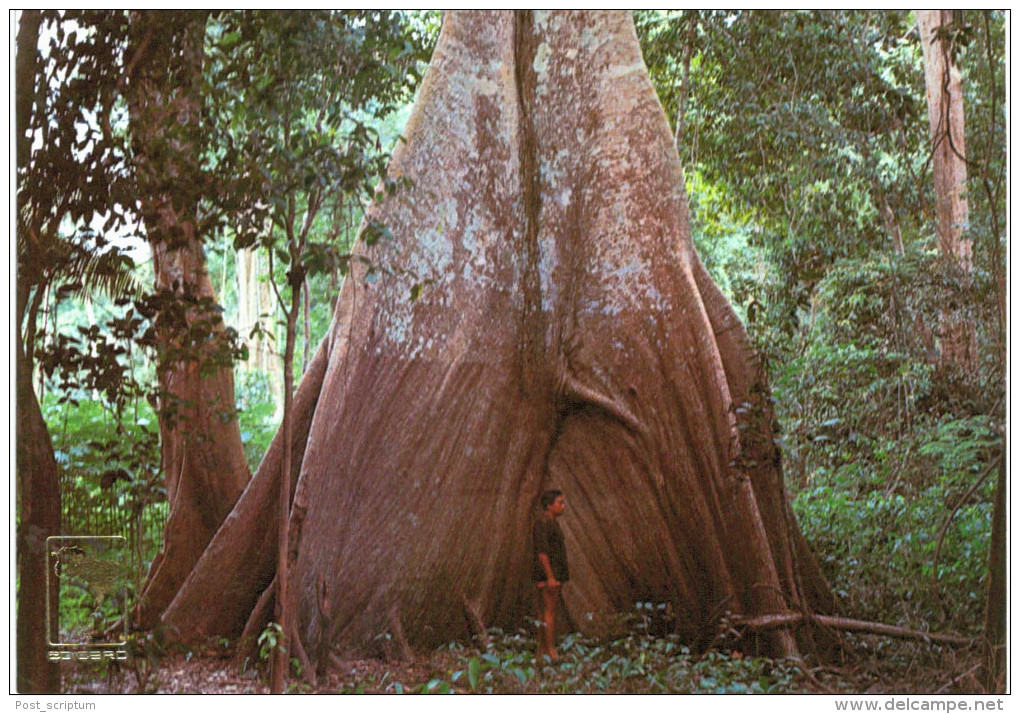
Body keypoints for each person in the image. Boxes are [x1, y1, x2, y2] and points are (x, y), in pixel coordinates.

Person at [533, 489, 568, 661]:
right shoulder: (543, 523)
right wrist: (550, 577)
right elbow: (542, 553)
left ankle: (541, 651)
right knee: (549, 612)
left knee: (544, 612)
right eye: (559, 503)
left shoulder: (551, 523)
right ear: (549, 506)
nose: (563, 506)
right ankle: (550, 651)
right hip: (548, 574)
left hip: (552, 573)